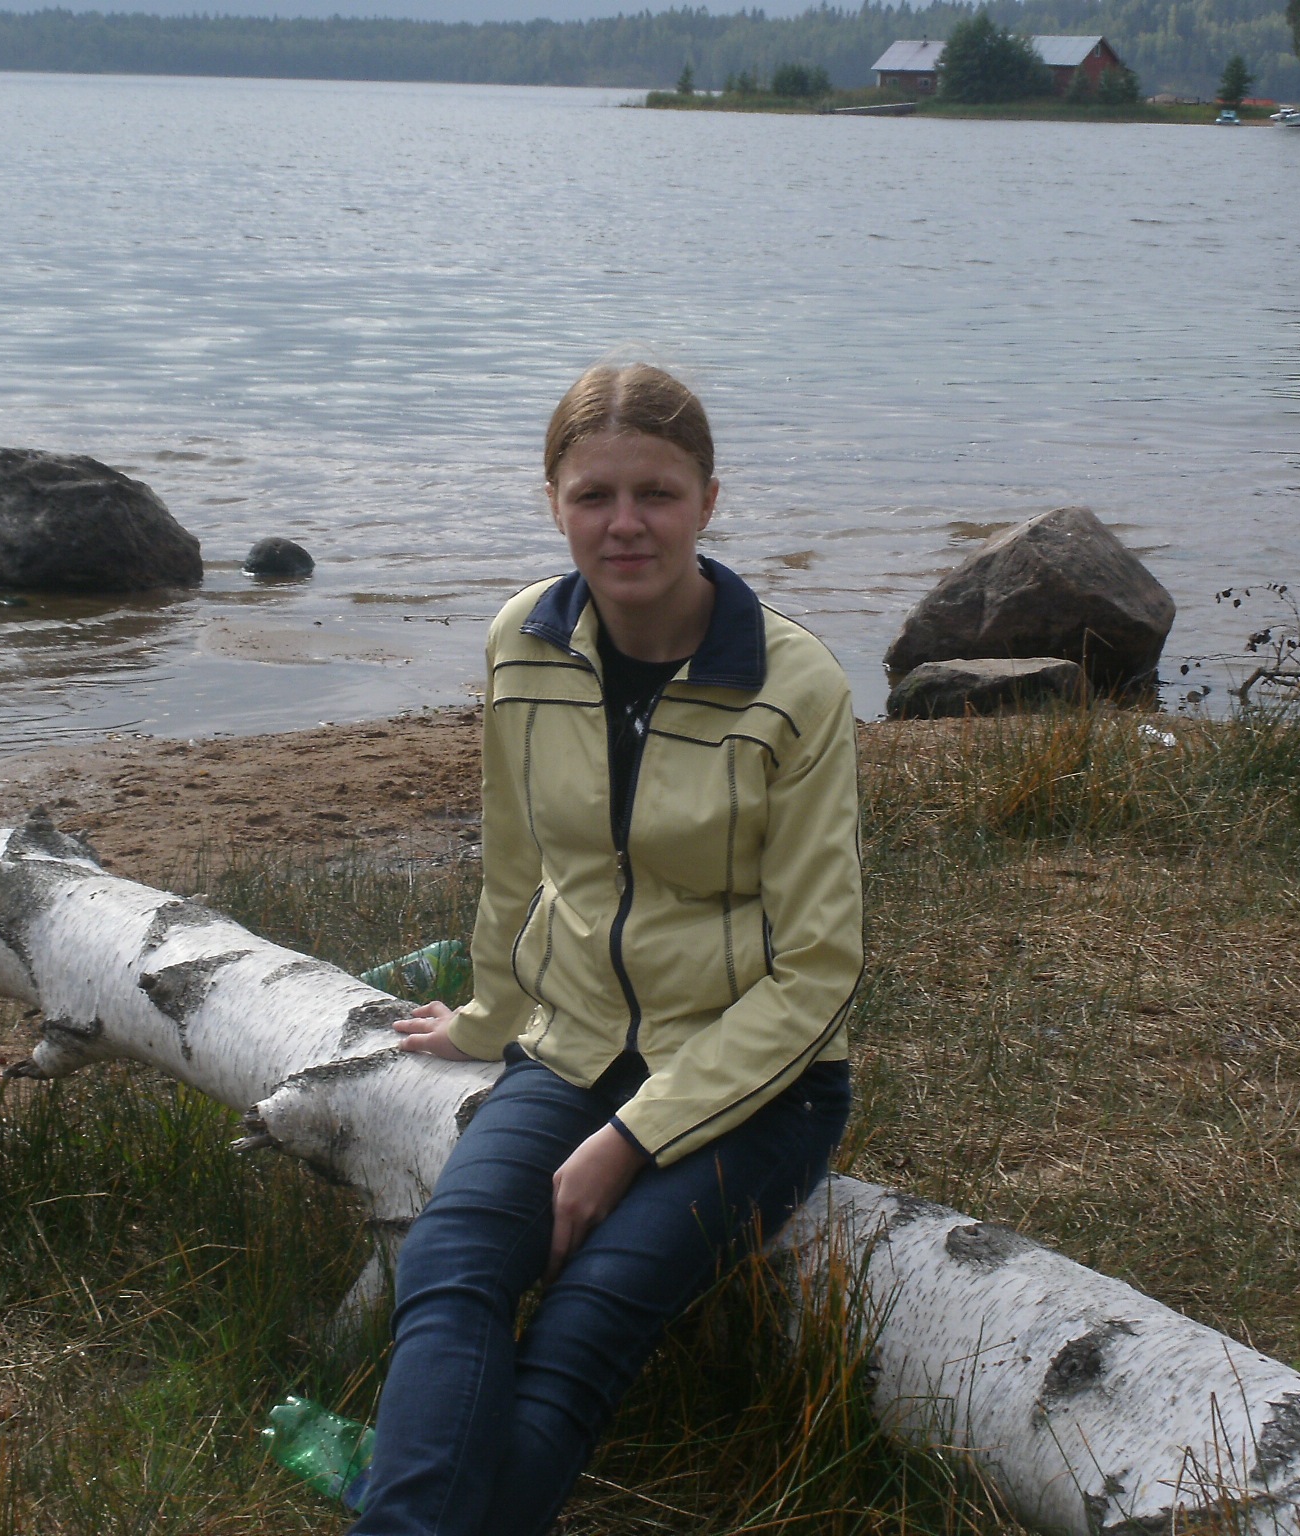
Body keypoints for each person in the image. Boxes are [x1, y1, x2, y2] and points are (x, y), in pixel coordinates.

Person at [356, 363, 863, 1536]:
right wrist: (489, 1019)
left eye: (655, 494)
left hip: (759, 1087)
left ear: (707, 501)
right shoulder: (521, 644)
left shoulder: (793, 685)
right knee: (451, 1267)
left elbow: (818, 972)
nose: (623, 523)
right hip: (571, 1045)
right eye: (593, 495)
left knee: (581, 1322)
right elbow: (514, 867)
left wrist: (626, 1145)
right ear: (553, 503)